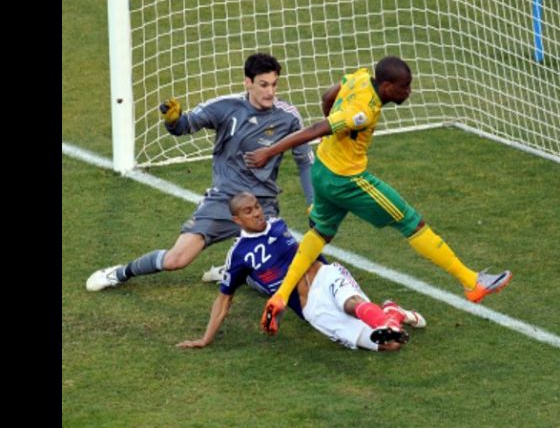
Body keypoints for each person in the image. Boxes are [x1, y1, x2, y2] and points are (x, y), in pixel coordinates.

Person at [244, 56, 512, 335]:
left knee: (321, 231)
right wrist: (270, 151)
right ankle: (471, 283)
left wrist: (334, 135)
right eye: (404, 87)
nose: (408, 92)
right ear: (386, 86)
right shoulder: (364, 112)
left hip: (322, 169)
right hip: (347, 179)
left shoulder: (360, 77)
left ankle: (280, 295)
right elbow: (315, 129)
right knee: (411, 221)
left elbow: (328, 96)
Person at [86, 53, 315, 292]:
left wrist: (312, 203)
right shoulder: (226, 107)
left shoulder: (287, 117)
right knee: (176, 260)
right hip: (224, 201)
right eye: (263, 85)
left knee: (282, 282)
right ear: (248, 82)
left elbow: (305, 161)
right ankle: (120, 273)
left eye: (274, 84)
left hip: (262, 206)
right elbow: (186, 125)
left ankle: (234, 272)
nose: (270, 92)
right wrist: (173, 121)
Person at [176, 192, 426, 352]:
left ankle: (382, 318)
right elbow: (224, 298)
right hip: (312, 310)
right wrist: (205, 338)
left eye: (257, 207)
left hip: (326, 277)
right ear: (237, 220)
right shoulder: (239, 254)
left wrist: (333, 271)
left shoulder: (277, 225)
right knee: (391, 345)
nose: (257, 213)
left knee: (351, 303)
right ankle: (392, 312)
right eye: (248, 211)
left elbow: (309, 251)